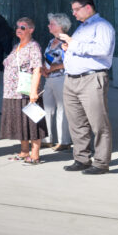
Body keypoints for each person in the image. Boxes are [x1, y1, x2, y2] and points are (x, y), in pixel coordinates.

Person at [58, 0, 115, 175]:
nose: (73, 13)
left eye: (76, 9)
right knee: (76, 123)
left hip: (91, 79)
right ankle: (81, 158)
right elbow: (78, 48)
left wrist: (73, 44)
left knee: (99, 123)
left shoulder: (102, 26)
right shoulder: (82, 28)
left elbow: (103, 50)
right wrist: (69, 49)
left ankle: (101, 163)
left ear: (88, 8)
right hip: (72, 79)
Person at [0, 17, 46, 165]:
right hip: (12, 92)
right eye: (17, 27)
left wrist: (33, 91)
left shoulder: (33, 46)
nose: (18, 29)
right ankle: (24, 151)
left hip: (26, 91)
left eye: (23, 27)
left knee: (32, 122)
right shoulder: (16, 46)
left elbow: (37, 69)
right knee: (20, 123)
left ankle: (35, 154)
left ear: (31, 30)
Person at [42, 13, 72, 152]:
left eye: (52, 24)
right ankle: (47, 139)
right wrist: (44, 69)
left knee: (62, 109)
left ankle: (64, 140)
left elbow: (71, 62)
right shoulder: (51, 41)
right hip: (49, 79)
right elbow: (48, 59)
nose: (49, 25)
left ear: (61, 26)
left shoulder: (66, 42)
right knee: (47, 108)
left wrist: (54, 67)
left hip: (61, 78)